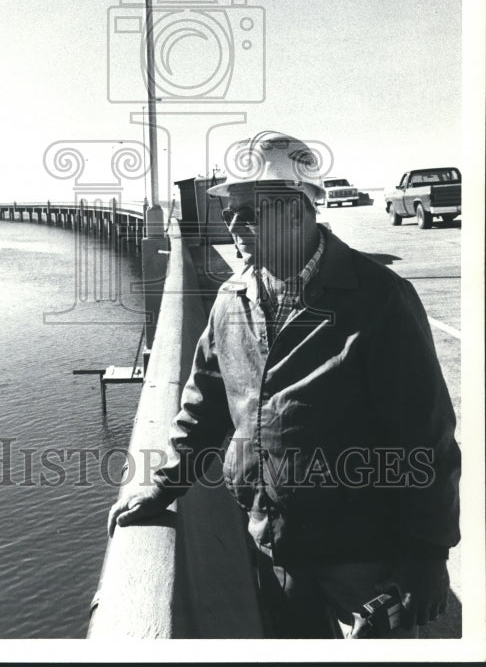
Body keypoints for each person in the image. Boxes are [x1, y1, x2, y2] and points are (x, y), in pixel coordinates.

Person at [107, 131, 460, 639]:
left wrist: (428, 555)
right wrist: (163, 488)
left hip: (361, 558)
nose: (233, 225)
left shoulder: (379, 299)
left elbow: (426, 438)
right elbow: (202, 410)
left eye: (249, 212)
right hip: (272, 546)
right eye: (228, 210)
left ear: (297, 212)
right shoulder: (233, 300)